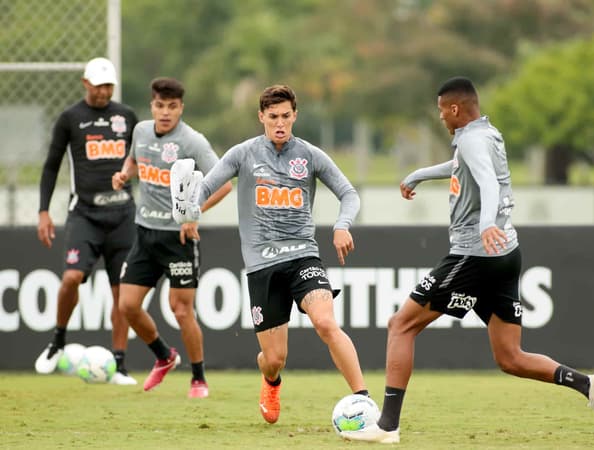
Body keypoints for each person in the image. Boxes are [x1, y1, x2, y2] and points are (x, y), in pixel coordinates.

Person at [341, 76, 594, 443]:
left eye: (442, 110)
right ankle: (589, 386)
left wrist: (486, 223)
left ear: (455, 108)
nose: (441, 117)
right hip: (505, 255)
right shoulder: (485, 134)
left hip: (474, 254)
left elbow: (487, 182)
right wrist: (420, 175)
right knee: (510, 357)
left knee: (400, 325)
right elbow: (464, 167)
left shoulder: (471, 140)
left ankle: (387, 427)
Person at [172, 84, 368, 423]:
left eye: (286, 116)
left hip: (303, 255)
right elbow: (207, 186)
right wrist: (190, 206)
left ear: (295, 116)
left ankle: (363, 400)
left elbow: (349, 193)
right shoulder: (242, 154)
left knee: (325, 321)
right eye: (273, 116)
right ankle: (270, 379)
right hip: (262, 265)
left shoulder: (309, 155)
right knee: (274, 358)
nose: (280, 123)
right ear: (261, 116)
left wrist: (342, 225)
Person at [111, 77, 231, 398]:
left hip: (178, 239)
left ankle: (198, 378)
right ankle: (164, 356)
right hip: (145, 233)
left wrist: (193, 213)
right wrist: (125, 173)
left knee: (180, 310)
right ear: (152, 106)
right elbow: (135, 161)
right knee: (128, 306)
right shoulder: (141, 132)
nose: (165, 113)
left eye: (172, 107)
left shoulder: (192, 142)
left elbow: (223, 184)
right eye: (160, 106)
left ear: (181, 108)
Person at [35, 57, 139, 386]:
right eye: (98, 85)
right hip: (85, 214)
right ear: (85, 83)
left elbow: (140, 161)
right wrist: (43, 211)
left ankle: (120, 364)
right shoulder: (70, 119)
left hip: (123, 215)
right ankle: (57, 341)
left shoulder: (127, 117)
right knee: (71, 278)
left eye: (109, 86)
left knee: (122, 293)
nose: (104, 92)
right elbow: (51, 166)